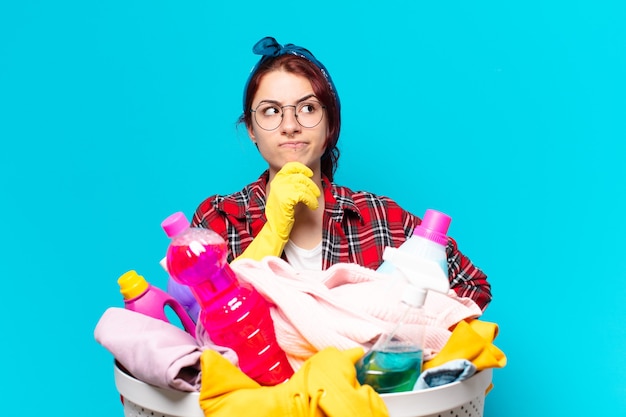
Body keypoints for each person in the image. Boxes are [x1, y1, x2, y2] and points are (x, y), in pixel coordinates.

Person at [191, 36, 492, 311]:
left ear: (330, 124)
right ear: (251, 130)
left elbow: (472, 286)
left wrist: (406, 337)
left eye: (308, 108)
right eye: (271, 111)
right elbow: (204, 319)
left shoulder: (382, 219)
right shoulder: (218, 219)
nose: (290, 125)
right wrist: (273, 233)